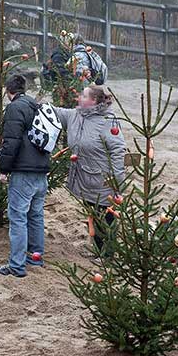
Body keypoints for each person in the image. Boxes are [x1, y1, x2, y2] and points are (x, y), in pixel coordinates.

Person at [53, 85, 126, 255]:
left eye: (83, 96)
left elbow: (118, 150)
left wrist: (117, 181)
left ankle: (107, 254)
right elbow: (57, 112)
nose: (79, 97)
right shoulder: (76, 114)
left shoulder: (108, 121)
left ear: (93, 101)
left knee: (105, 216)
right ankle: (97, 249)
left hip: (103, 180)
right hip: (84, 176)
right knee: (92, 214)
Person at [0, 75, 51, 277]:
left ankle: (16, 266)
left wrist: (3, 169)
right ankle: (36, 258)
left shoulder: (15, 108)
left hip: (23, 171)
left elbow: (11, 142)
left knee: (18, 217)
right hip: (41, 170)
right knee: (36, 216)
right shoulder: (37, 106)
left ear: (9, 91)